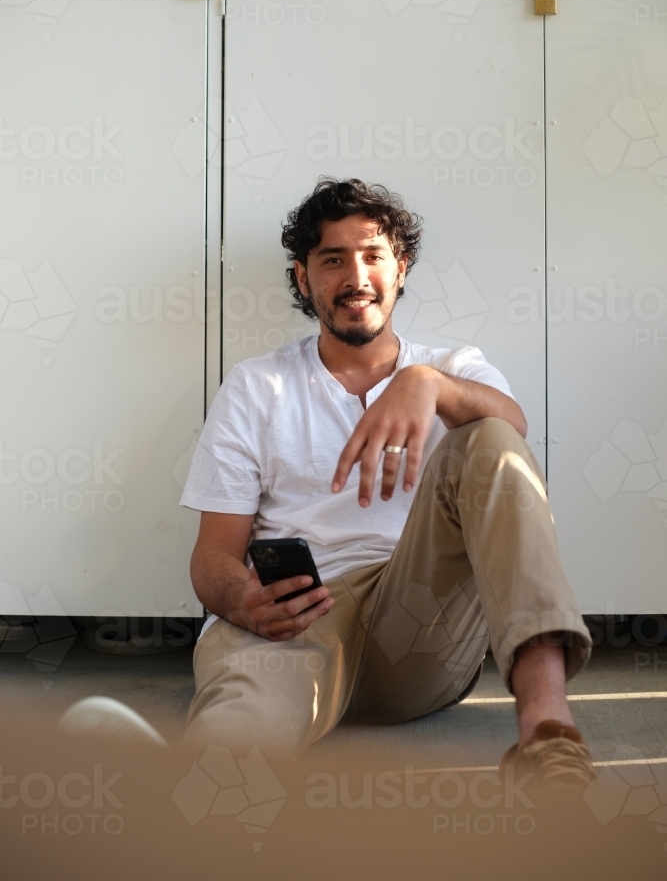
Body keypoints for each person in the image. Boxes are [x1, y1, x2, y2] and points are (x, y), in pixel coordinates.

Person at [176, 178, 594, 786]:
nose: (356, 275)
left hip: (418, 630)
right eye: (333, 259)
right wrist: (243, 600)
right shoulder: (255, 385)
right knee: (222, 767)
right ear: (302, 278)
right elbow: (212, 555)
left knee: (491, 438)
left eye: (373, 256)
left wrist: (428, 384)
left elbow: (515, 427)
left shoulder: (453, 368)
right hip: (296, 628)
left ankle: (547, 730)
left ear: (400, 270)